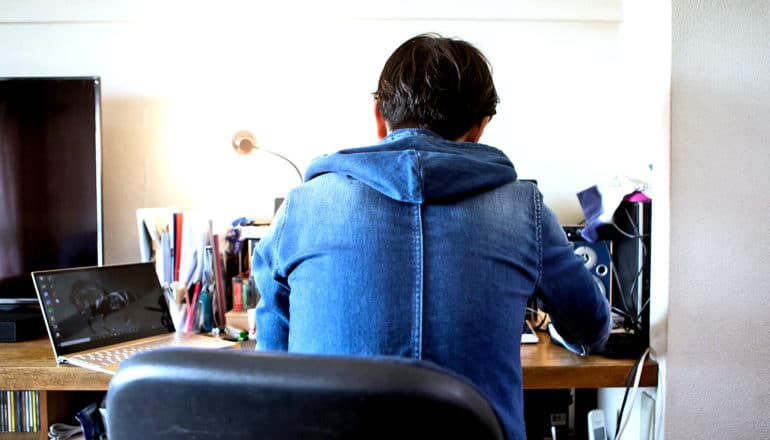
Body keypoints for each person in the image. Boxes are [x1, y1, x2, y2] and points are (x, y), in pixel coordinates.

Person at [251, 33, 611, 440]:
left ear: (378, 117)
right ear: (479, 129)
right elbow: (591, 328)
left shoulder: (300, 208)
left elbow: (273, 373)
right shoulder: (525, 209)